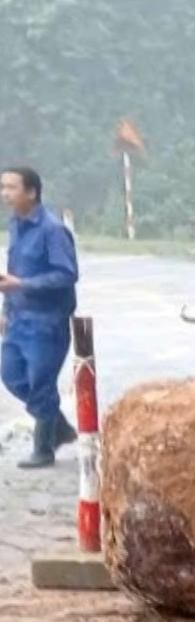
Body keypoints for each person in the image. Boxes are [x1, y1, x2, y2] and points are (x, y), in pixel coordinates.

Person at [0, 166, 80, 469]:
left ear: (31, 192)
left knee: (41, 384)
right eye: (3, 187)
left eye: (12, 187)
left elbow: (67, 274)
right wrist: (6, 308)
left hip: (47, 322)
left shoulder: (52, 229)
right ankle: (58, 426)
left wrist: (24, 285)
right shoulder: (16, 225)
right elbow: (14, 269)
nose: (5, 193)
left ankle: (44, 448)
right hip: (19, 318)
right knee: (11, 376)